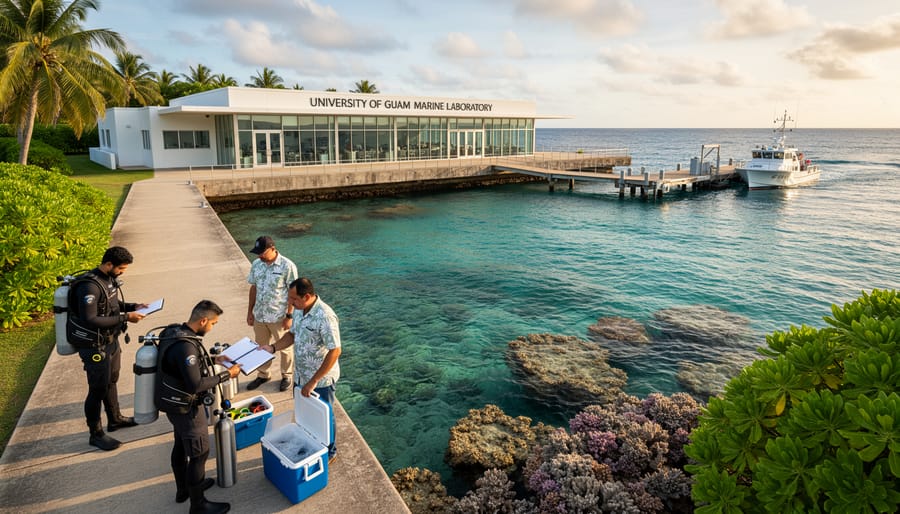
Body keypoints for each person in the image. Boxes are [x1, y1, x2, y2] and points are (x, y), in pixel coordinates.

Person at [156, 300, 240, 513]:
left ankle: (183, 489)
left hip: (171, 401)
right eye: (213, 323)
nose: (213, 327)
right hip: (186, 407)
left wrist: (215, 358)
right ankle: (198, 504)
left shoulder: (174, 331)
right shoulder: (187, 347)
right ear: (203, 320)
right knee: (199, 453)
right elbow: (196, 384)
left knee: (180, 444)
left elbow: (182, 365)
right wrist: (226, 374)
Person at [68, 246, 147, 451]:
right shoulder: (89, 287)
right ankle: (96, 434)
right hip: (94, 346)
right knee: (97, 389)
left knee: (111, 380)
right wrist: (126, 317)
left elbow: (112, 303)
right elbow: (90, 318)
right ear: (108, 264)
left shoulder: (108, 280)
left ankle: (115, 419)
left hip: (110, 340)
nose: (122, 272)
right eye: (121, 268)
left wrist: (132, 306)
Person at [261, 278, 341, 461]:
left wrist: (313, 382)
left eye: (293, 299)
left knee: (324, 415)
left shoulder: (325, 316)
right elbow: (292, 335)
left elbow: (335, 351)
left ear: (307, 296)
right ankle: (313, 443)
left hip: (320, 381)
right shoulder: (299, 310)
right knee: (306, 414)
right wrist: (273, 348)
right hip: (300, 375)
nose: (290, 303)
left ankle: (330, 451)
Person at [245, 235, 298, 392]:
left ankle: (286, 375)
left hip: (279, 317)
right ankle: (263, 374)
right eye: (258, 253)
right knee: (261, 346)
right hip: (260, 315)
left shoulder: (287, 266)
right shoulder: (256, 265)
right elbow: (253, 288)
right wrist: (250, 311)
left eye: (262, 252)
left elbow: (293, 293)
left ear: (272, 249)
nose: (259, 256)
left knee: (285, 348)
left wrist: (289, 316)